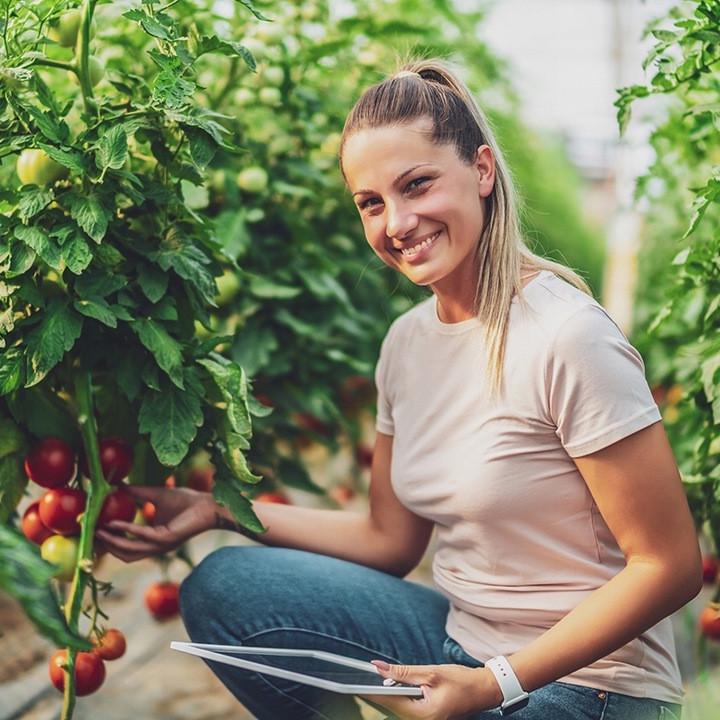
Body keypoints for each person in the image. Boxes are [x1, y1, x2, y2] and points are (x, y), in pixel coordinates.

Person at [96, 58, 702, 720]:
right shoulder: (407, 343)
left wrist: (496, 682)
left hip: (591, 685)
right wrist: (218, 509)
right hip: (463, 644)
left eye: (417, 185)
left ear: (481, 170)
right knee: (226, 585)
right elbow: (389, 539)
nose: (398, 223)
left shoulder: (566, 335)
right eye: (371, 203)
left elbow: (668, 566)